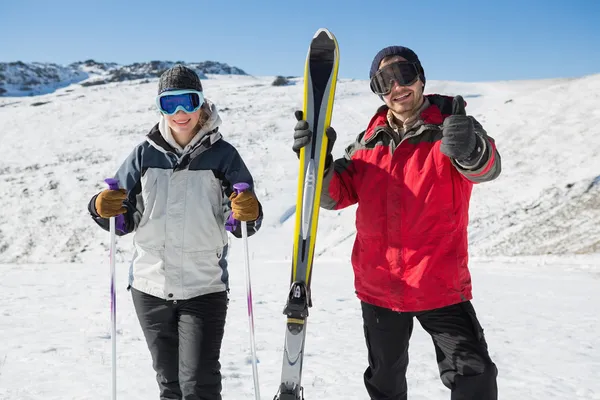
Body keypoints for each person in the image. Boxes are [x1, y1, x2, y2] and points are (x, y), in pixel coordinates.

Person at [292, 46, 501, 399]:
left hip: (439, 283)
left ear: (420, 77)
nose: (397, 87)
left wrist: (470, 149)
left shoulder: (451, 128)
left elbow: (486, 168)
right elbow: (335, 196)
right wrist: (318, 162)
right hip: (379, 286)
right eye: (384, 81)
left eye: (403, 74)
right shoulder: (367, 143)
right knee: (384, 382)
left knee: (474, 375)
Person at [88, 64, 263, 400]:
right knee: (169, 385)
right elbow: (121, 218)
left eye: (188, 102)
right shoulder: (144, 154)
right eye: (170, 104)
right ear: (160, 108)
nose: (181, 113)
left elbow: (242, 220)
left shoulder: (224, 156)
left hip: (204, 287)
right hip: (149, 286)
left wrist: (248, 212)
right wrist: (102, 206)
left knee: (199, 384)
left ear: (202, 103)